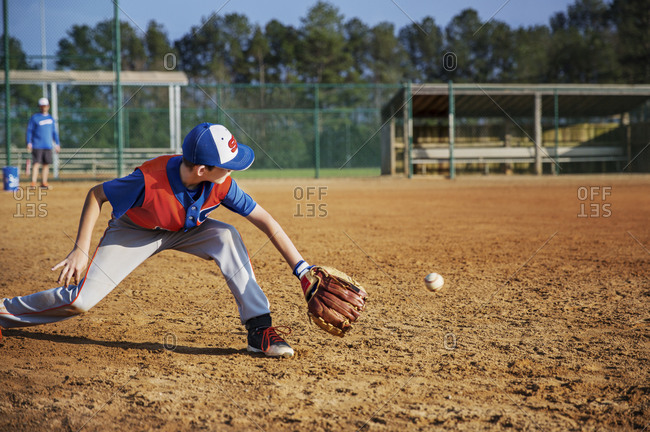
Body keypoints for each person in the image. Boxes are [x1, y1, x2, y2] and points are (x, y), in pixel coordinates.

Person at [1, 123, 315, 358]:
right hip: (135, 232)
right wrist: (81, 249)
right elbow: (97, 194)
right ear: (203, 169)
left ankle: (259, 330)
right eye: (227, 165)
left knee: (226, 235)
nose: (232, 171)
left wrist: (302, 270)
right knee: (79, 301)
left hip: (186, 230)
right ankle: (4, 313)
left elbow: (265, 220)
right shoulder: (148, 180)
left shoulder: (222, 183)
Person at [26, 97, 60, 189]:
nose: (43, 107)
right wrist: (29, 142)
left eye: (45, 106)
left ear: (48, 106)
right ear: (39, 107)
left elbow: (54, 133)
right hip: (37, 145)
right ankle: (33, 183)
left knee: (46, 164)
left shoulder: (51, 119)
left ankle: (44, 183)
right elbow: (29, 130)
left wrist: (57, 144)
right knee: (36, 164)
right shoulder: (35, 118)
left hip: (48, 145)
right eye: (42, 106)